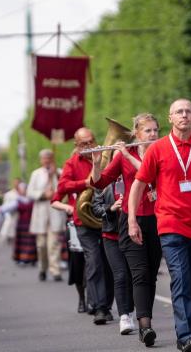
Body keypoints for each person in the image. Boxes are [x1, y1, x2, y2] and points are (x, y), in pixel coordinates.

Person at [129, 99, 191, 352]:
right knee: (181, 278)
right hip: (170, 223)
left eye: (188, 111)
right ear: (170, 118)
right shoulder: (158, 149)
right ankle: (186, 336)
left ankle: (185, 333)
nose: (184, 115)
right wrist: (132, 219)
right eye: (179, 112)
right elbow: (138, 185)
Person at [90, 113, 162, 347]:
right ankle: (145, 326)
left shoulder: (161, 153)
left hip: (158, 218)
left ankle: (144, 316)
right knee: (139, 273)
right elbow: (100, 183)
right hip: (131, 219)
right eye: (147, 131)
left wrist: (124, 156)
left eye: (155, 130)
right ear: (136, 134)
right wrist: (96, 162)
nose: (152, 135)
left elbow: (148, 174)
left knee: (150, 273)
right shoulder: (124, 156)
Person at [55, 127, 114, 325]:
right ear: (76, 146)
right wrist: (85, 183)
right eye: (83, 144)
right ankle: (99, 307)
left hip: (107, 217)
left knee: (110, 264)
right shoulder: (72, 163)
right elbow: (62, 187)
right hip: (84, 222)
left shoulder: (108, 157)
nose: (89, 146)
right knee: (94, 262)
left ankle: (107, 304)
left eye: (91, 142)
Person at [91, 182, 135, 335]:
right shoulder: (104, 184)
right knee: (120, 275)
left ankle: (130, 311)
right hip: (111, 236)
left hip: (132, 235)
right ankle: (124, 317)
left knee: (132, 276)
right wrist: (110, 208)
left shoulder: (134, 178)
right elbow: (96, 208)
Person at [27, 149, 67, 282]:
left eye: (49, 158)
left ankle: (55, 270)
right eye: (45, 158)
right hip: (41, 213)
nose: (47, 160)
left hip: (55, 213)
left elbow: (64, 189)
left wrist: (54, 175)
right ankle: (42, 268)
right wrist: (43, 194)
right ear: (41, 160)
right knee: (42, 245)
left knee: (54, 244)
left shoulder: (59, 172)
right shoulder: (36, 174)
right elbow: (30, 192)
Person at [0, 178, 22, 245]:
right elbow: (5, 206)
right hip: (10, 215)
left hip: (19, 216)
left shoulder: (23, 194)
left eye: (18, 183)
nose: (16, 184)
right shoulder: (9, 194)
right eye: (15, 182)